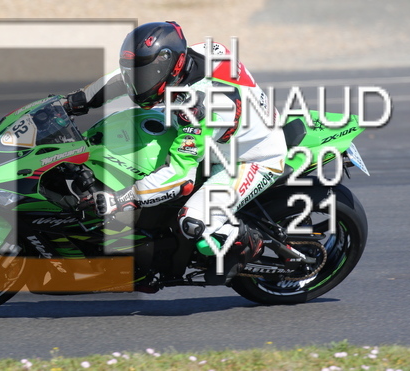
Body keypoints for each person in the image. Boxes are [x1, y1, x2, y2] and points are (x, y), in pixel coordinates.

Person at [65, 21, 287, 286]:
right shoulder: (194, 55)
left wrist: (122, 198)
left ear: (173, 65)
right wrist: (77, 100)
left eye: (148, 75)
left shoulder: (201, 107)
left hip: (249, 158)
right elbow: (124, 77)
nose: (139, 83)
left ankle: (244, 242)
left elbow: (181, 178)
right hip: (222, 135)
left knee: (193, 221)